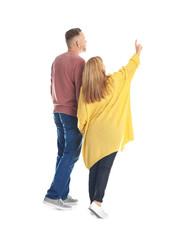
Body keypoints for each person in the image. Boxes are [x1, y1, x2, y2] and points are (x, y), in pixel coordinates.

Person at [77, 40, 143, 218]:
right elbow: (129, 69)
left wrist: (82, 129)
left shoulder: (85, 91)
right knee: (105, 167)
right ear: (100, 69)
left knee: (94, 168)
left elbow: (82, 117)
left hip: (92, 136)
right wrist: (137, 53)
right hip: (111, 134)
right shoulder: (114, 81)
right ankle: (97, 203)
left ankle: (93, 202)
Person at [43, 28, 87, 210]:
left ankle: (61, 193)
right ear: (77, 43)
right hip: (71, 113)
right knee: (71, 154)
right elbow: (80, 93)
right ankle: (53, 195)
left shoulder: (57, 60)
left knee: (62, 154)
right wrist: (83, 117)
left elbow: (51, 85)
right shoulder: (80, 61)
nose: (86, 42)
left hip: (57, 111)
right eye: (84, 39)